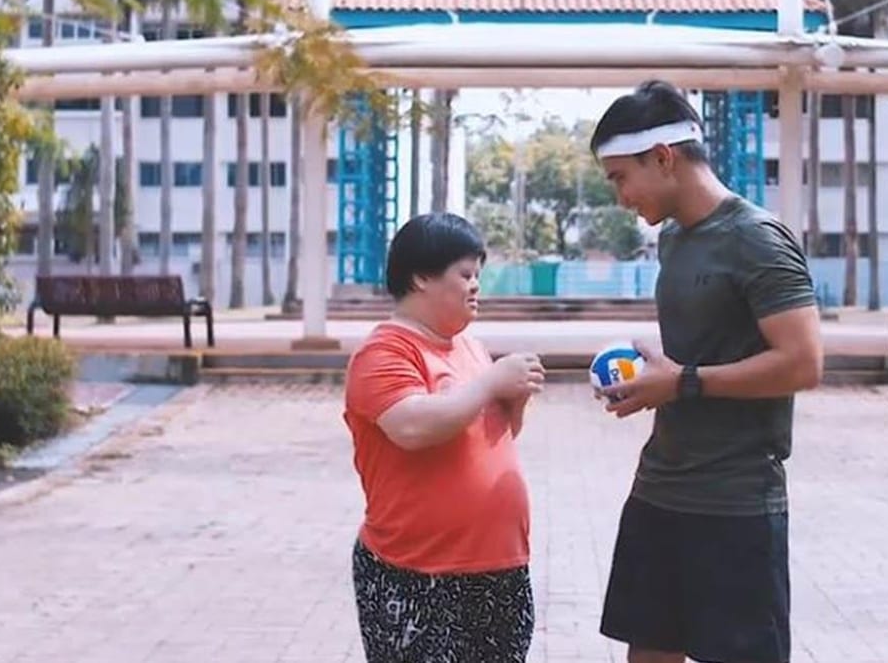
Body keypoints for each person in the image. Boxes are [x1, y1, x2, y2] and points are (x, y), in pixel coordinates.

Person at [589, 80, 824, 663]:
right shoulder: (673, 239)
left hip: (737, 502)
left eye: (621, 177)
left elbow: (803, 362)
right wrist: (656, 378)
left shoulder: (757, 239)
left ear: (663, 158)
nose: (620, 196)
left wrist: (683, 382)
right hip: (661, 488)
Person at [343, 212, 546, 662]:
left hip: (497, 569)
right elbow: (413, 427)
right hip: (418, 573)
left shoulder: (470, 348)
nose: (476, 285)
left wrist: (514, 403)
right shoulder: (385, 351)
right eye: (465, 274)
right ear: (421, 277)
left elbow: (491, 436)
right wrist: (493, 383)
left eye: (478, 274)